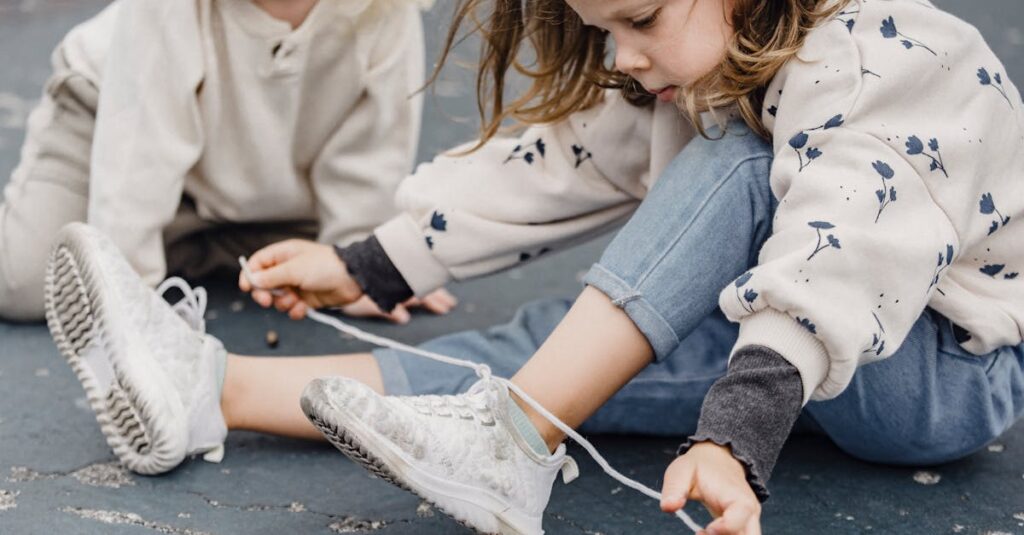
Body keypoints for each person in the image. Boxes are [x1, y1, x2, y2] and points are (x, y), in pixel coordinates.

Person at [45, 0, 1023, 533]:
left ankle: (515, 440)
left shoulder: (886, 53)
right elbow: (557, 166)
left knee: (732, 164)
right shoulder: (700, 65)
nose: (624, 55)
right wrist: (369, 264)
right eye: (602, 31)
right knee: (565, 345)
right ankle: (206, 389)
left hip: (936, 371)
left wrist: (735, 437)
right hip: (796, 344)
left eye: (639, 21)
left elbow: (840, 250)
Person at [0, 0, 455, 324]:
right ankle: (174, 237)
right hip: (106, 124)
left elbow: (372, 148)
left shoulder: (385, 10)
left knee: (307, 264)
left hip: (266, 171)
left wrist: (358, 265)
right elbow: (137, 157)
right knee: (27, 283)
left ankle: (191, 235)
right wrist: (130, 296)